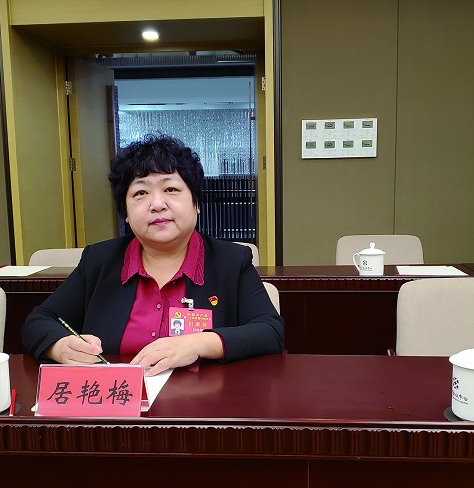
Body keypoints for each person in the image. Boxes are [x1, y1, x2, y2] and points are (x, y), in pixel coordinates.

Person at [21, 134, 284, 375]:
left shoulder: (231, 261)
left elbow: (270, 331)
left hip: (203, 405)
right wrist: (60, 347)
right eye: (140, 193)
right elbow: (39, 320)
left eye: (171, 189)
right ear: (125, 212)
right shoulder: (100, 261)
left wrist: (199, 343)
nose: (157, 204)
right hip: (119, 404)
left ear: (196, 202)